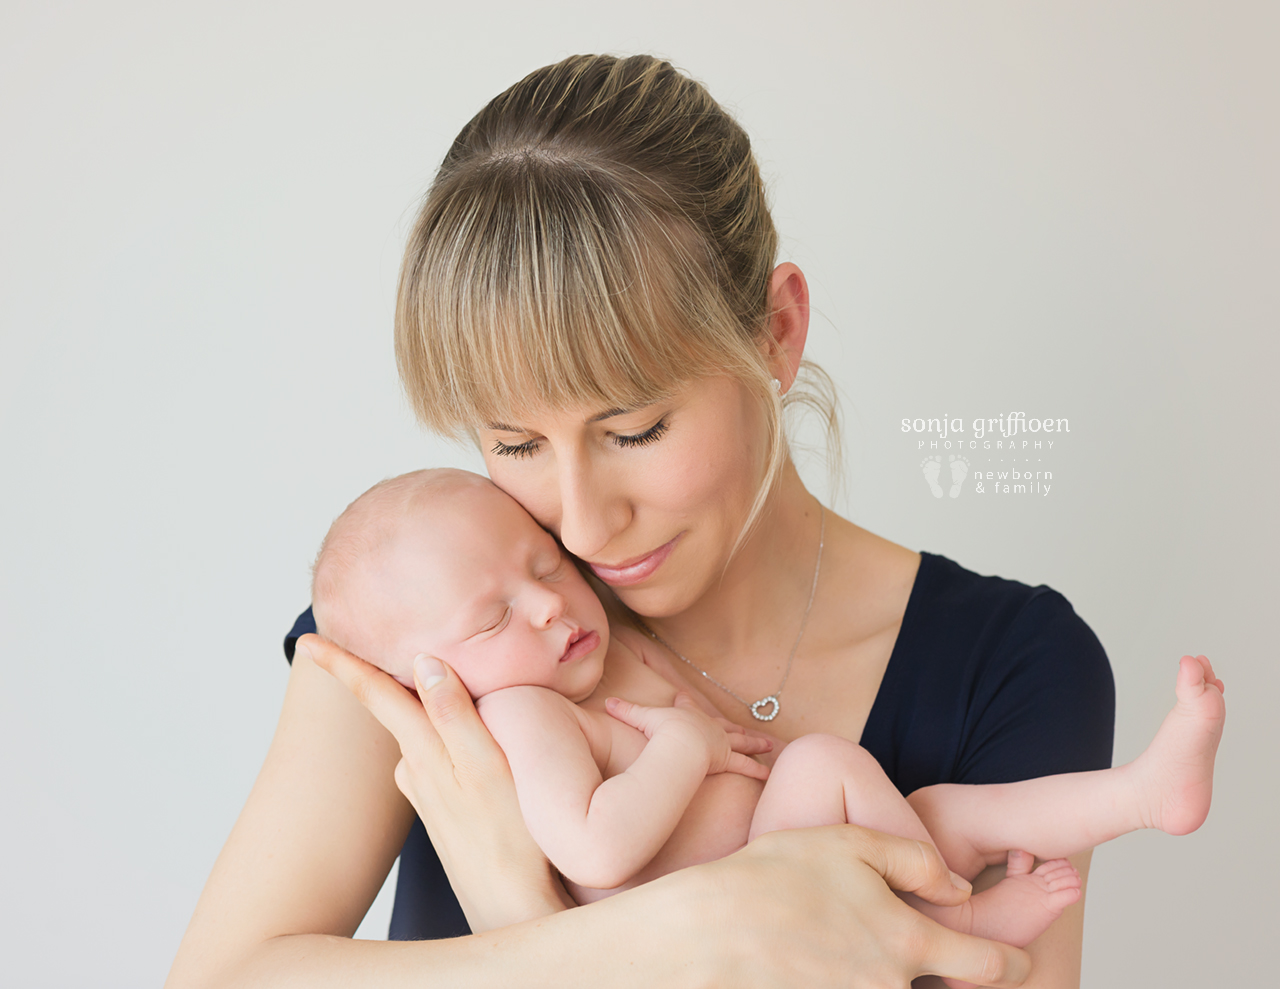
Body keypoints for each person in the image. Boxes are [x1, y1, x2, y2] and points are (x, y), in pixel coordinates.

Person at [166, 54, 1126, 988]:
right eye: (514, 443)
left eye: (634, 428)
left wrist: (523, 917)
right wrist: (670, 933)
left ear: (777, 333)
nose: (579, 526)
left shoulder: (1011, 666)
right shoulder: (426, 620)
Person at [308, 466, 1223, 950]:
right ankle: (949, 924)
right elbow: (594, 845)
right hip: (740, 915)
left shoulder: (1022, 652)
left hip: (782, 866)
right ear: (428, 675)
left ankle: (1141, 795)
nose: (551, 597)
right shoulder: (516, 713)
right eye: (494, 615)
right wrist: (681, 738)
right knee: (829, 767)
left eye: (542, 564)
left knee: (941, 812)